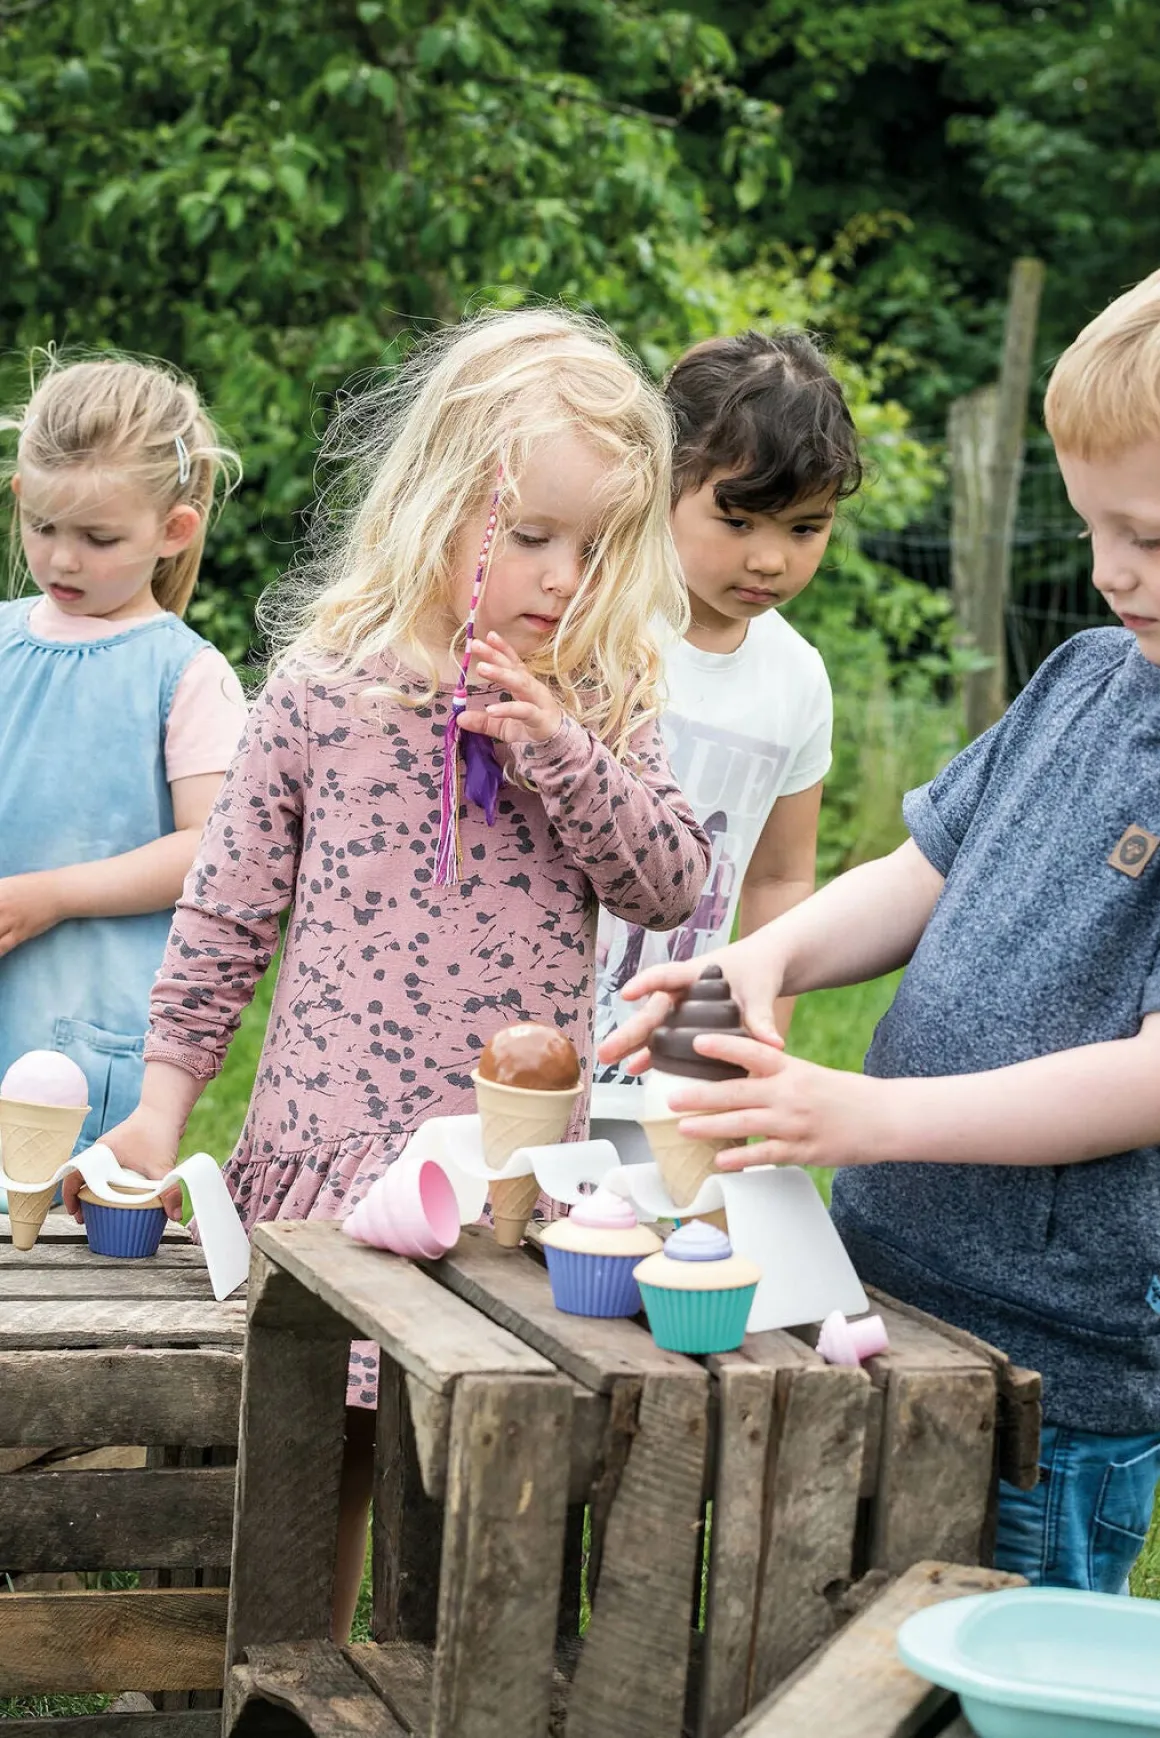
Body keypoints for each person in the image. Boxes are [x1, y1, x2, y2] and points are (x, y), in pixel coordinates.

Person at [69, 307, 711, 1637]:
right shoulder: (322, 692)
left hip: (504, 1179)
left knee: (482, 1465)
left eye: (596, 548)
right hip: (332, 1153)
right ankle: (283, 1679)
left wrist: (562, 753)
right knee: (321, 1457)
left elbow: (671, 884)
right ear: (436, 501)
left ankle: (446, 1683)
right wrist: (161, 1106)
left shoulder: (602, 698)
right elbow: (226, 913)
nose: (561, 577)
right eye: (529, 535)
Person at [599, 271, 1160, 1595]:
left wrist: (866, 1114)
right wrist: (767, 956)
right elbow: (920, 870)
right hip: (883, 1285)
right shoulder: (1085, 675)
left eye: (1147, 534)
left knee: (976, 1667)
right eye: (1091, 526)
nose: (1108, 570)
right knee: (821, 1626)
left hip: (1049, 1377)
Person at [590, 331, 861, 1157]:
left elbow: (780, 876)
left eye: (806, 528)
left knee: (662, 1225)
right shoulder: (596, 629)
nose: (769, 558)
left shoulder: (798, 679)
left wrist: (755, 1041)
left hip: (680, 1048)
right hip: (538, 1011)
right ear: (663, 482)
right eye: (735, 520)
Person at [0, 355, 244, 1168]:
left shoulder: (186, 674)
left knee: (55, 1224)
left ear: (174, 530)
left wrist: (51, 896)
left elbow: (210, 850)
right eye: (43, 527)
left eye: (97, 538)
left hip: (84, 1026)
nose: (62, 560)